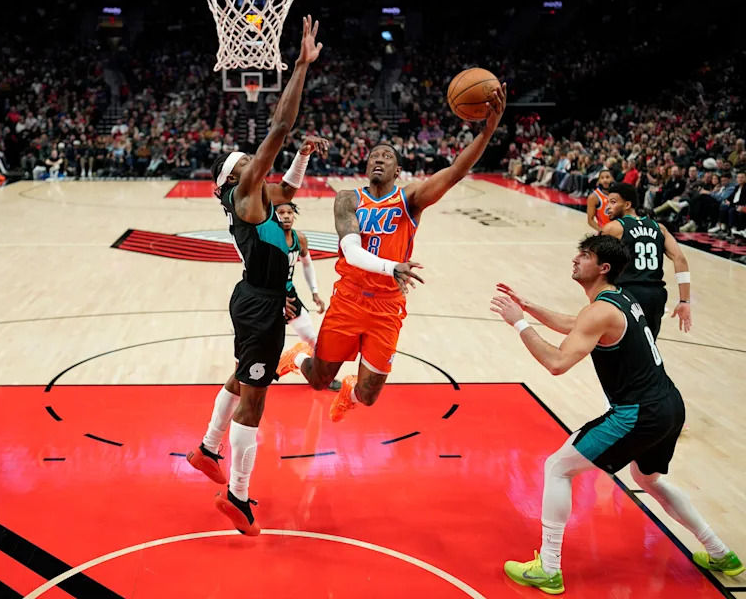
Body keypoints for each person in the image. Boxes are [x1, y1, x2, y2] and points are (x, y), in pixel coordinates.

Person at [491, 235, 742, 595]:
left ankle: (548, 567)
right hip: (670, 404)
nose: (576, 259)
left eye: (585, 255)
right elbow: (575, 323)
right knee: (649, 478)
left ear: (603, 267)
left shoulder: (601, 310)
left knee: (557, 467)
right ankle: (720, 553)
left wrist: (519, 324)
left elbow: (557, 363)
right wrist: (528, 306)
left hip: (639, 413)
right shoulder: (618, 298)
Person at [279, 83, 507, 420]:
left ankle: (349, 392)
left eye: (387, 157)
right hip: (349, 299)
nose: (379, 160)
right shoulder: (348, 199)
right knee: (319, 378)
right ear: (366, 166)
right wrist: (391, 267)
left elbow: (456, 171)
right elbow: (351, 250)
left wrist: (487, 131)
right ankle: (297, 356)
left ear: (398, 171)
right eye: (374, 156)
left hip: (387, 307)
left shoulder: (410, 199)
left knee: (368, 396)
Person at [184, 15, 323, 536]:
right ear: (235, 178)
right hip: (260, 304)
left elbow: (288, 189)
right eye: (248, 161)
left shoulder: (259, 197)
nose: (255, 163)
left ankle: (207, 448)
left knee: (242, 374)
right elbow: (280, 128)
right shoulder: (246, 197)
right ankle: (239, 497)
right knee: (255, 398)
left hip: (258, 296)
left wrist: (305, 157)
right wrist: (301, 68)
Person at [602, 182, 691, 340]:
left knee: (621, 348)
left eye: (613, 202)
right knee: (648, 347)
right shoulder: (659, 228)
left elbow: (596, 261)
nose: (608, 207)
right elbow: (680, 259)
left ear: (627, 204)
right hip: (655, 296)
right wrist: (684, 300)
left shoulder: (614, 228)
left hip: (627, 293)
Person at [274, 203, 339, 392]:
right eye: (281, 213)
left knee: (313, 339)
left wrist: (315, 292)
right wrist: (277, 299)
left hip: (290, 297)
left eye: (289, 212)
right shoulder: (268, 240)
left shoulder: (299, 238)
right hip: (268, 299)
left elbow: (307, 265)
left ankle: (323, 378)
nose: (286, 216)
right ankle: (257, 378)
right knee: (266, 345)